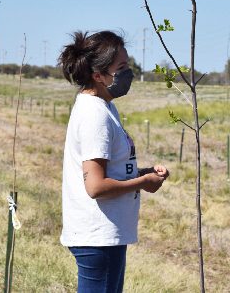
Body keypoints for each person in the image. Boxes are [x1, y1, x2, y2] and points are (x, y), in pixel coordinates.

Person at [58, 30, 169, 293]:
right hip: (98, 237)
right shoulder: (95, 115)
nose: (128, 73)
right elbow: (95, 186)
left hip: (104, 234)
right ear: (98, 75)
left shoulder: (104, 105)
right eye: (121, 68)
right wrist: (142, 182)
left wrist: (141, 173)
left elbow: (109, 170)